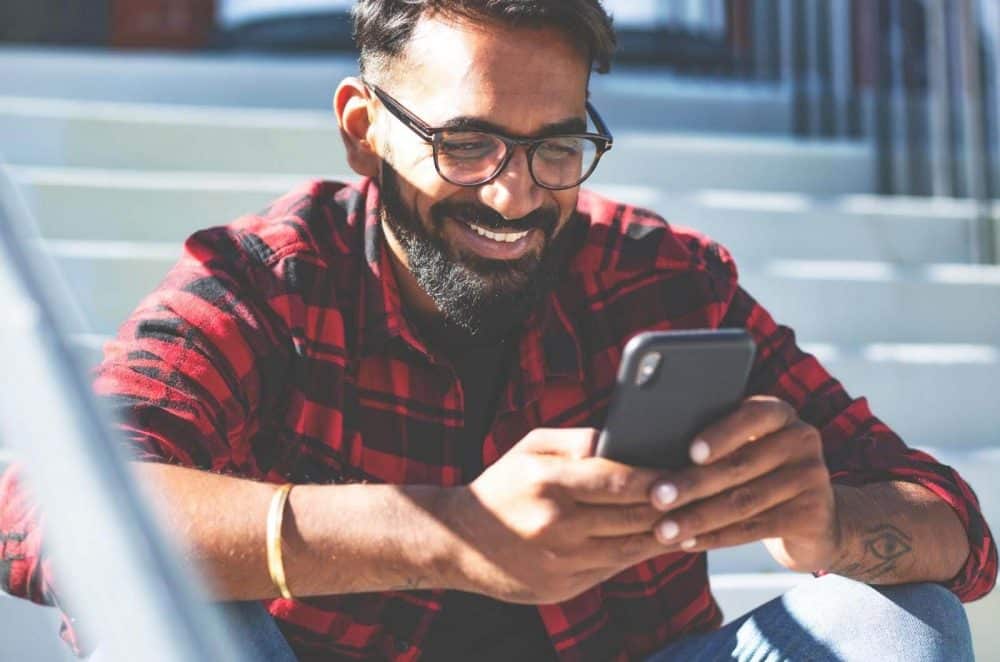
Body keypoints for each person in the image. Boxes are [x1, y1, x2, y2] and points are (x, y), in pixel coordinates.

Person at [1, 1, 996, 660]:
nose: (514, 193)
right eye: (465, 143)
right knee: (170, 614)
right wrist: (450, 534)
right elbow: (52, 506)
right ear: (363, 129)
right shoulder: (268, 281)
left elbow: (958, 528)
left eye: (555, 146)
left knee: (897, 619)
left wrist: (824, 519)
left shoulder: (659, 278)